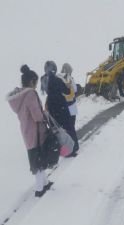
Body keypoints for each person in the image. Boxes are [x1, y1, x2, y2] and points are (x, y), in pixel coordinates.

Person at [6, 65, 53, 197]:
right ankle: (39, 189)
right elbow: (37, 116)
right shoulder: (30, 94)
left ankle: (45, 182)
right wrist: (45, 114)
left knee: (37, 158)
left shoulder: (18, 95)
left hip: (27, 131)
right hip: (37, 132)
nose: (37, 85)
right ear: (32, 81)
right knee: (38, 161)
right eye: (36, 82)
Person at [45, 61, 77, 157]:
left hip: (52, 108)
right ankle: (72, 149)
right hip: (62, 107)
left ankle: (61, 150)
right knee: (69, 129)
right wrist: (68, 86)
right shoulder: (58, 80)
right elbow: (69, 91)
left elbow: (46, 93)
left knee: (58, 130)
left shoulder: (45, 80)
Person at [59, 63, 79, 154]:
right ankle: (74, 146)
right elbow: (75, 90)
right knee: (71, 128)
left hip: (64, 107)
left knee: (67, 129)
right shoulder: (70, 79)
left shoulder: (59, 79)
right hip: (72, 108)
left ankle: (69, 146)